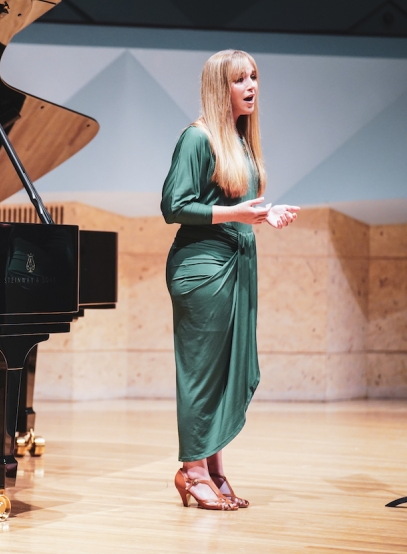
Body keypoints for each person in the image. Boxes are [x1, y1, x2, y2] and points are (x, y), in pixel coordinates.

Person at [161, 50, 299, 510]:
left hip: (237, 262)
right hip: (203, 269)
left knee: (223, 373)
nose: (251, 86)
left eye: (255, 77)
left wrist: (265, 211)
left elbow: (239, 202)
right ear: (221, 86)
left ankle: (214, 469)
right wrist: (236, 214)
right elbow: (174, 206)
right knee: (201, 372)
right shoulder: (197, 138)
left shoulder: (240, 141)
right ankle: (192, 471)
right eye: (241, 79)